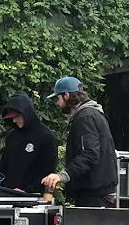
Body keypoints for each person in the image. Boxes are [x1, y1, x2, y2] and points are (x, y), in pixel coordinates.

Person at [41, 76, 118, 207]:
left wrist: (63, 175)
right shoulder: (93, 114)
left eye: (57, 98)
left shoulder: (85, 117)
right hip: (98, 191)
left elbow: (90, 153)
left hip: (95, 194)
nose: (56, 103)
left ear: (66, 95)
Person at [0, 91, 58, 193]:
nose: (14, 121)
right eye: (12, 118)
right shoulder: (12, 136)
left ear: (26, 112)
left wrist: (28, 191)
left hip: (33, 198)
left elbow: (48, 172)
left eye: (17, 116)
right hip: (7, 194)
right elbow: (4, 166)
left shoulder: (47, 137)